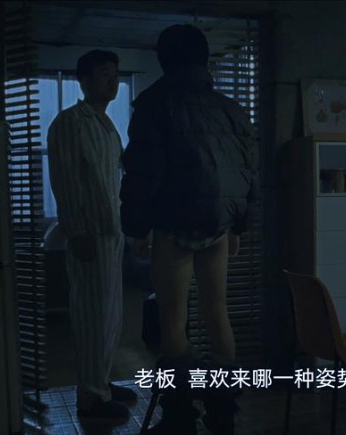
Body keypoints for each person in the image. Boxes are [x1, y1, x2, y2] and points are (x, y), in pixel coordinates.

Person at [120, 24, 259, 435]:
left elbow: (144, 172)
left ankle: (180, 416)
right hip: (218, 224)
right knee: (218, 314)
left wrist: (137, 227)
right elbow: (249, 170)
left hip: (174, 224)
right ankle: (223, 413)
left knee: (173, 322)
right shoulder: (230, 108)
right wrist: (238, 225)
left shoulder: (154, 103)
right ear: (204, 59)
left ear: (164, 60)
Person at [47, 49, 137, 420]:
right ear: (83, 81)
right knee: (92, 316)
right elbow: (66, 180)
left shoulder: (105, 124)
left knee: (110, 315)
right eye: (104, 74)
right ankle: (91, 397)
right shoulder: (72, 123)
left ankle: (102, 381)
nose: (112, 81)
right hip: (91, 233)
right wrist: (78, 230)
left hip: (111, 231)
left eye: (115, 74)